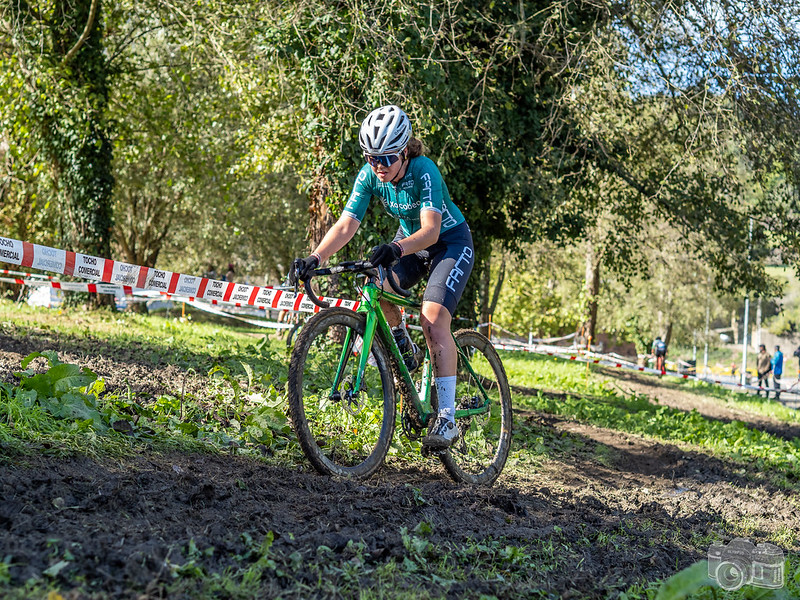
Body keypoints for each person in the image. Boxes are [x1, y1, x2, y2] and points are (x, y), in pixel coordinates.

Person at [290, 104, 474, 450]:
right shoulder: (370, 175)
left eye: (386, 158)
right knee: (375, 285)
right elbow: (346, 224)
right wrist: (315, 257)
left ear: (404, 151)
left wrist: (397, 249)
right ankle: (403, 343)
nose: (378, 167)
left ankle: (447, 417)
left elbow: (432, 231)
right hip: (412, 244)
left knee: (433, 321)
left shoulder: (424, 171)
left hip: (448, 243)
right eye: (370, 157)